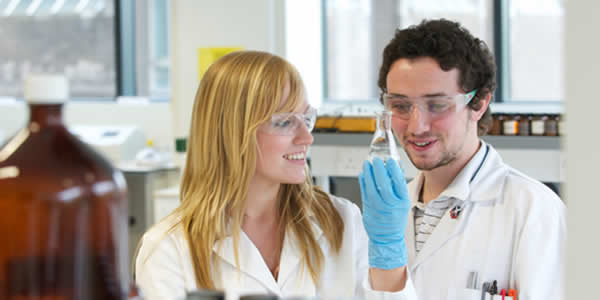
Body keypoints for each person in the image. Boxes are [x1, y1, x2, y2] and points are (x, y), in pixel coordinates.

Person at [134, 51, 417, 300]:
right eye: (284, 122)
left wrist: (389, 255)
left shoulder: (341, 221)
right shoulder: (168, 249)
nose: (307, 137)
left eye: (307, 120)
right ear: (231, 133)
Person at [359, 19, 566, 300]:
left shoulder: (534, 211)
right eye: (401, 106)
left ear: (478, 103)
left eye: (437, 105)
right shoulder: (384, 218)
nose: (417, 126)